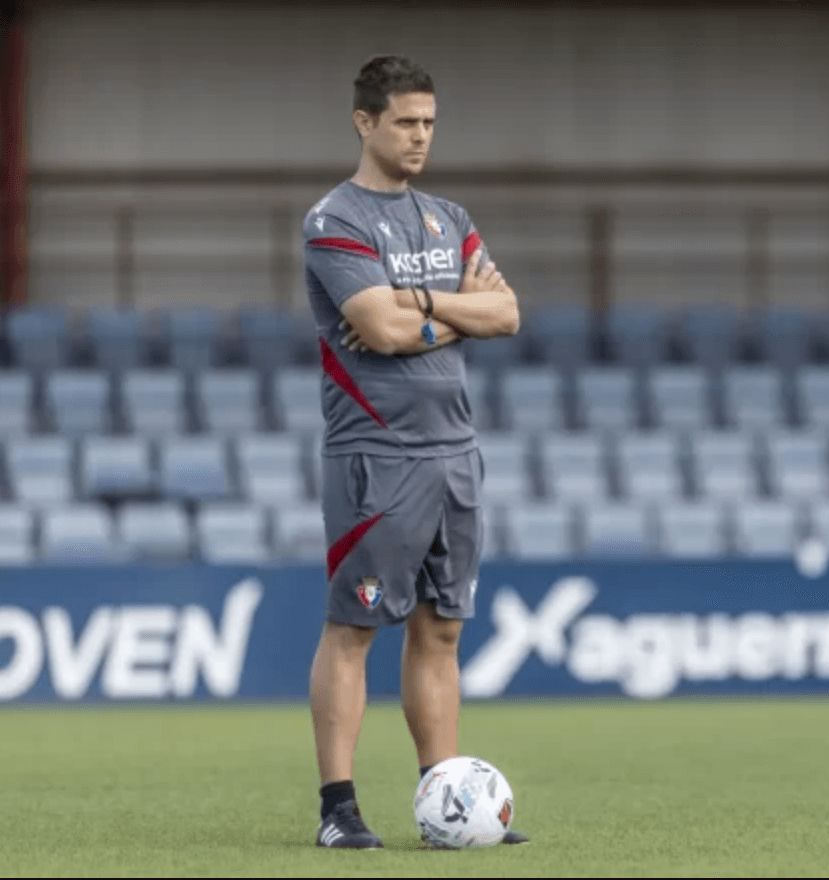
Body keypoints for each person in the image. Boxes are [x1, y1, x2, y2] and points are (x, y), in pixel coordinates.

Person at [301, 54, 524, 849]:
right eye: (405, 122)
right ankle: (338, 809)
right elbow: (385, 332)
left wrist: (424, 301)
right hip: (376, 455)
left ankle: (445, 805)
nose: (421, 136)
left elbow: (507, 313)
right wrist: (456, 312)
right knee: (354, 629)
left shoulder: (450, 217)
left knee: (442, 630)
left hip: (455, 451)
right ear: (365, 123)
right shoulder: (335, 221)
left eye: (429, 122)